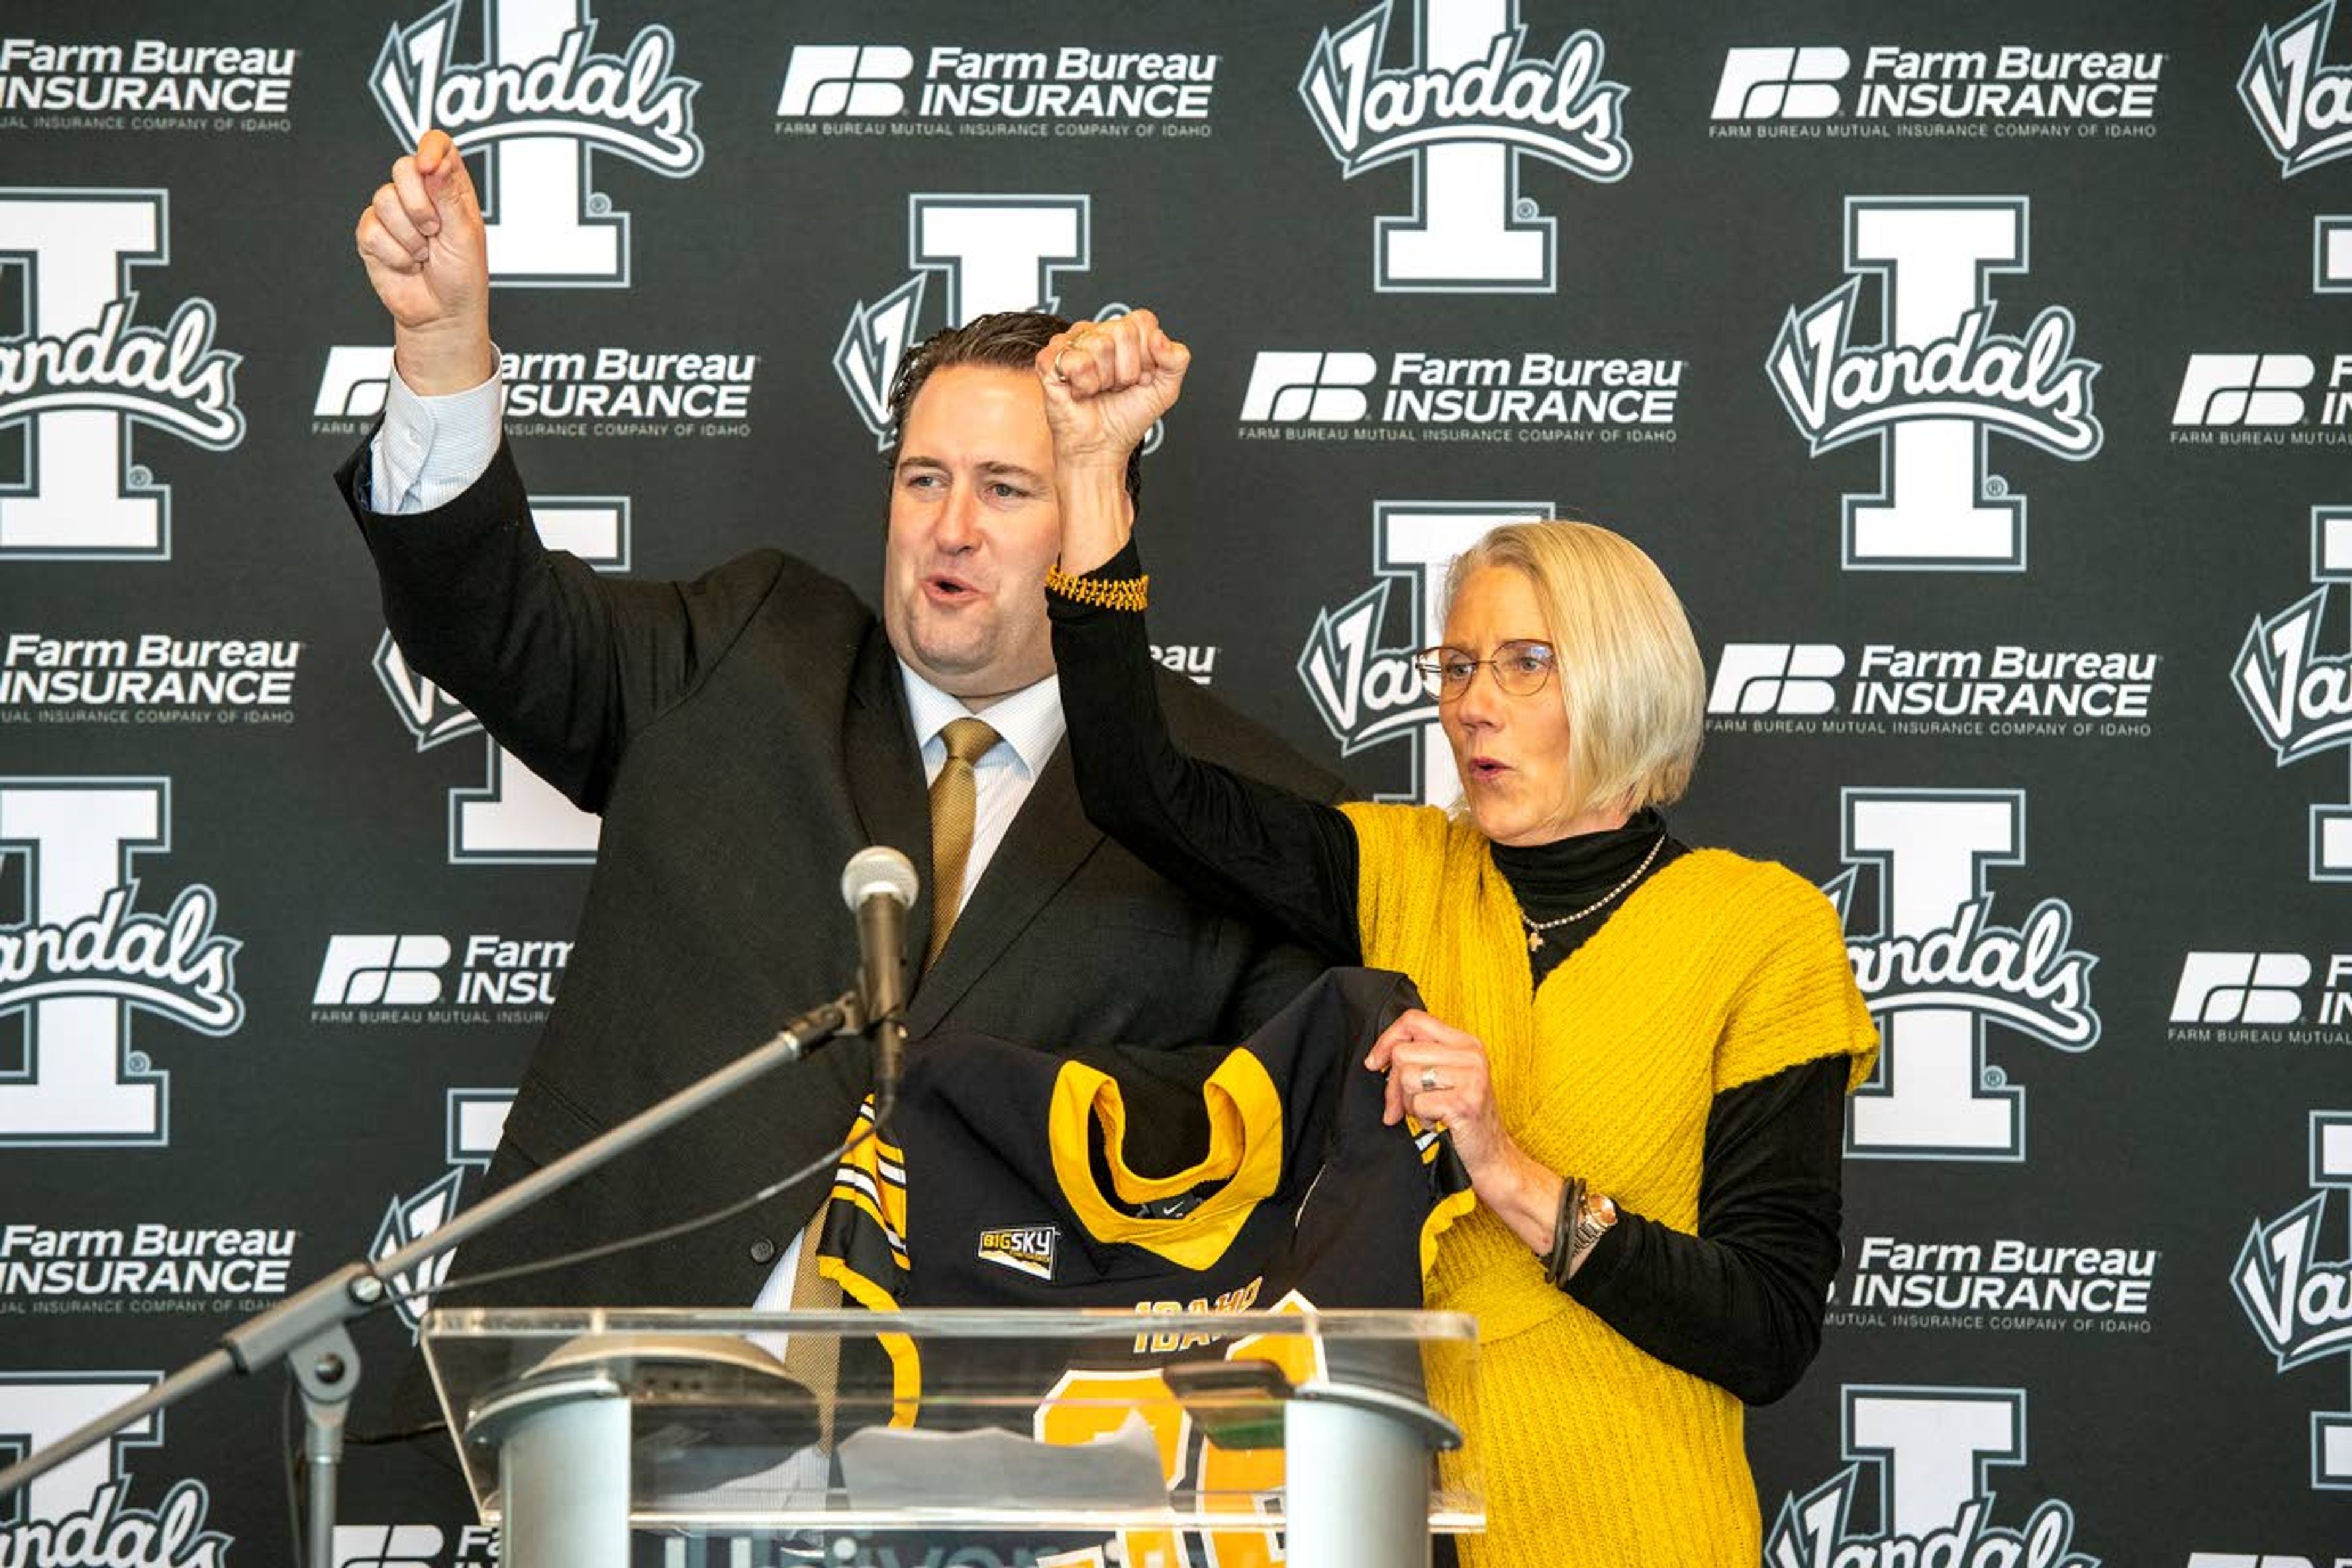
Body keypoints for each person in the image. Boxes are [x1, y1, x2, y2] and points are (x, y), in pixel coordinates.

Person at [336, 132, 1343, 1324]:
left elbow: (1285, 1150)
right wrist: (444, 345)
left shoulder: (1238, 801)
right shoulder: (747, 648)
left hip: (1004, 1455)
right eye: (924, 478)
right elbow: (485, 620)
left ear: (1098, 509)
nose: (950, 526)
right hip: (623, 1400)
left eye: (1005, 488)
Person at [1033, 313, 1880, 1566]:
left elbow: (1767, 1327)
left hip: (1643, 1529)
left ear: (1627, 676)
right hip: (1403, 1533)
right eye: (1458, 664)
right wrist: (1096, 472)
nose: (1474, 701)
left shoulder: (1764, 932)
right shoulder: (1403, 869)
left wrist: (1514, 1172)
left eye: (1527, 664)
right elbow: (1137, 786)